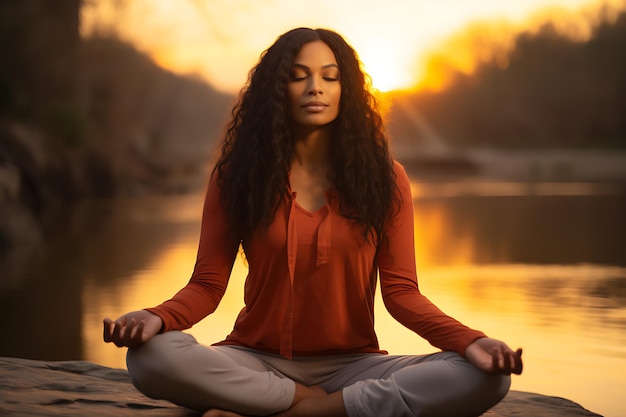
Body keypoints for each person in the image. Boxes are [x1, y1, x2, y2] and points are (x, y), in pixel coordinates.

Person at [103, 27, 523, 417]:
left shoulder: (386, 178)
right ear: (276, 90)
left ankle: (311, 410)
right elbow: (208, 284)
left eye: (330, 76)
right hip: (252, 358)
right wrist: (156, 317)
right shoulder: (238, 176)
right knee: (149, 358)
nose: (315, 87)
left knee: (486, 375)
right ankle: (300, 401)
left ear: (348, 90)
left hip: (354, 366)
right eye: (298, 76)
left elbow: (402, 294)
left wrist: (471, 340)